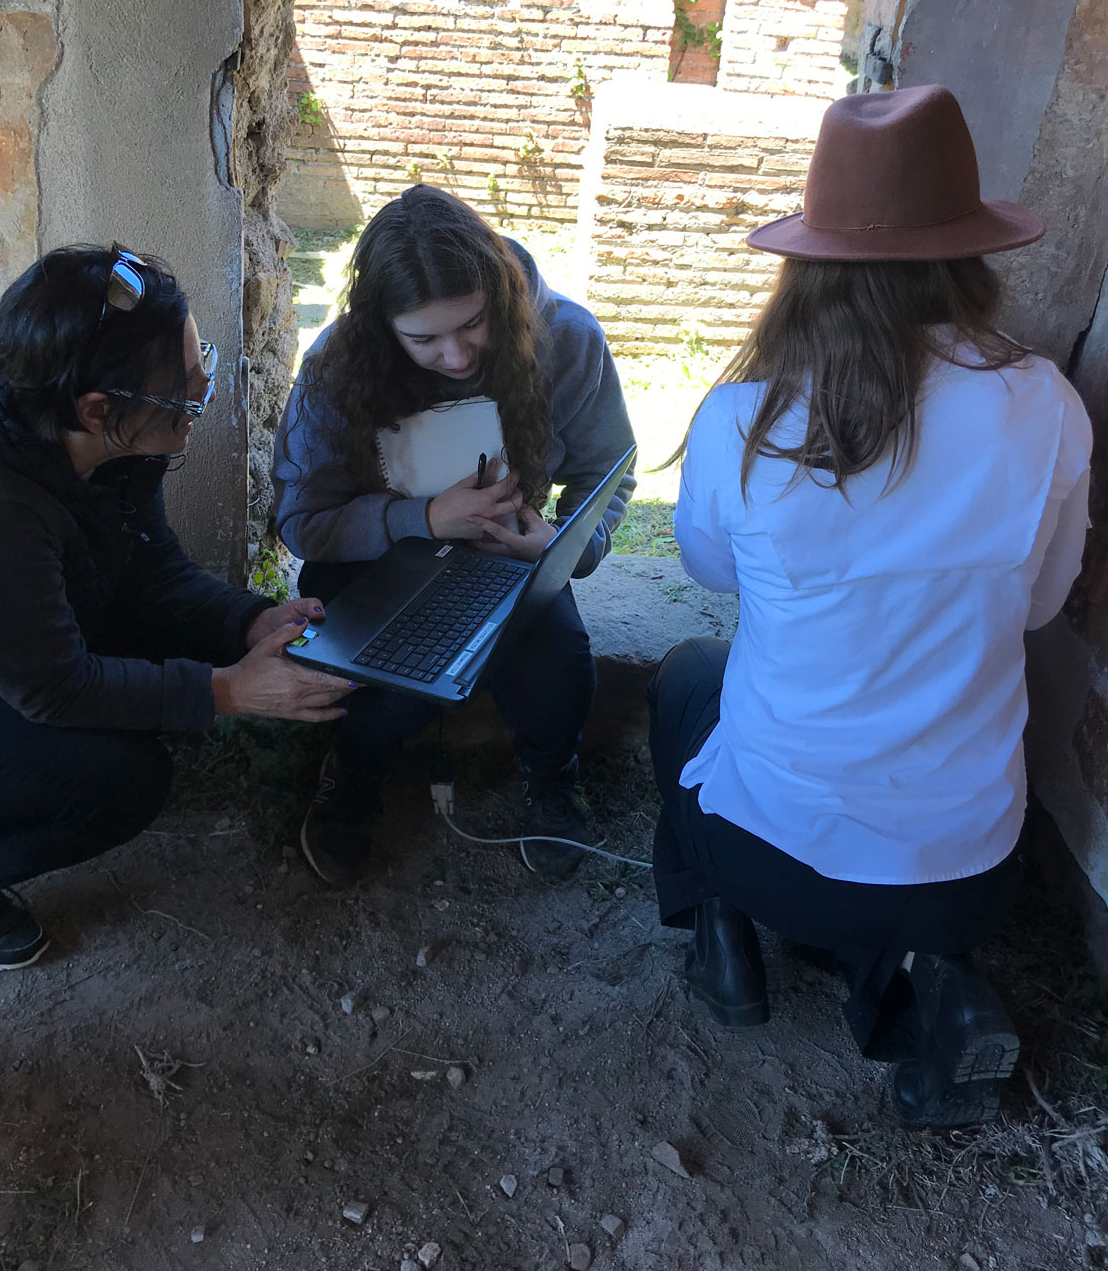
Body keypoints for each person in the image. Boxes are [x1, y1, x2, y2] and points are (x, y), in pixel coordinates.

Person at [647, 85, 1092, 1129]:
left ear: (809, 264)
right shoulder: (1047, 409)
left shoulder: (742, 421)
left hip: (772, 858)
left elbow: (709, 571)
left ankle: (723, 936)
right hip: (970, 872)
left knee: (683, 683)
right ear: (969, 253)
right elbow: (1040, 606)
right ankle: (930, 979)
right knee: (902, 858)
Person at [0, 245, 354, 973]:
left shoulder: (111, 433)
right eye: (185, 388)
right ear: (97, 409)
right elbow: (55, 688)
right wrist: (230, 691)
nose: (202, 389)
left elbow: (148, 570)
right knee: (120, 781)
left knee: (161, 662)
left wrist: (247, 621)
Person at [273, 185, 636, 886]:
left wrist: (561, 545)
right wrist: (425, 519)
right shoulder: (336, 368)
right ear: (383, 329)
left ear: (498, 297)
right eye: (424, 339)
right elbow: (303, 523)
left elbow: (608, 475)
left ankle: (553, 777)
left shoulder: (568, 338)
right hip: (374, 561)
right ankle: (353, 773)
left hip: (507, 556)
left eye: (473, 325)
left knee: (559, 665)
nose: (457, 355)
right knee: (388, 688)